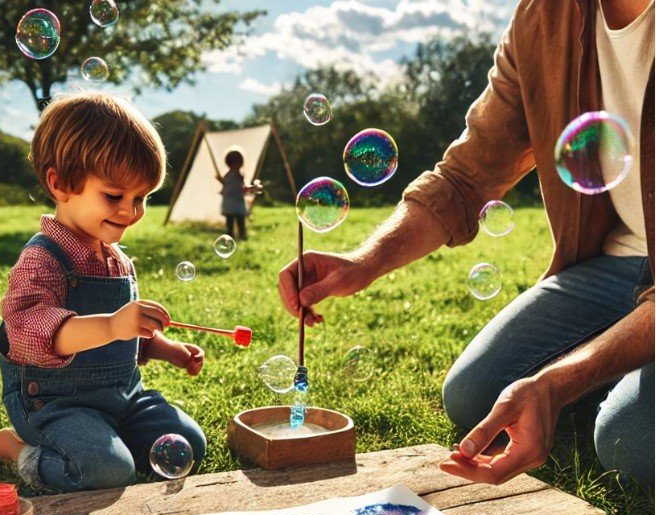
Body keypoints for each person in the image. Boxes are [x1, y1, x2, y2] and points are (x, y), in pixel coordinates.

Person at [279, 0, 654, 487]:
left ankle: (613, 393)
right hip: (616, 264)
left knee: (629, 442)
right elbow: (464, 178)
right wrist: (362, 262)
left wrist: (557, 383)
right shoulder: (545, 16)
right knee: (473, 393)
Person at [0, 91, 206, 492]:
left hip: (122, 395)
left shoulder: (117, 259)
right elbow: (28, 333)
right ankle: (18, 450)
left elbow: (126, 340)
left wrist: (166, 349)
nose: (130, 211)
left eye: (141, 198)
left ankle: (112, 438)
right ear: (61, 183)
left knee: (189, 442)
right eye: (115, 196)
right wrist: (113, 324)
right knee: (104, 471)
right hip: (55, 403)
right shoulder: (43, 259)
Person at [217, 148, 260, 240]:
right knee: (235, 226)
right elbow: (241, 189)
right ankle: (236, 239)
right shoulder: (236, 176)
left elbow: (234, 189)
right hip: (234, 205)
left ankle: (237, 239)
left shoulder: (229, 176)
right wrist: (253, 188)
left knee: (235, 225)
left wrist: (252, 188)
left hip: (232, 205)